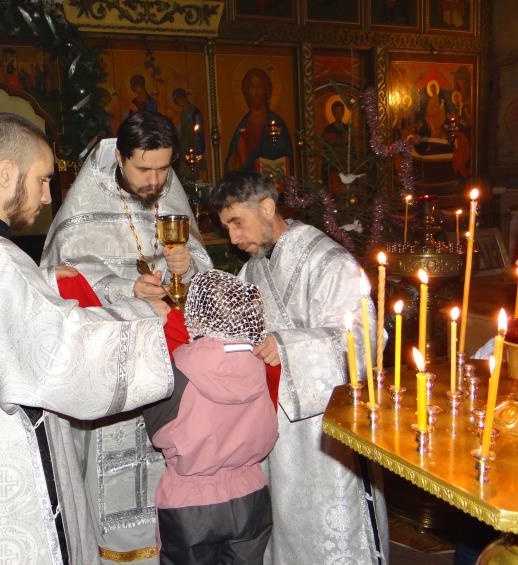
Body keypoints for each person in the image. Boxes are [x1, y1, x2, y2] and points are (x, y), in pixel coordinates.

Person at [0, 113, 176, 565]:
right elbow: (62, 355)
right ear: (6, 173)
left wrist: (47, 282)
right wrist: (146, 318)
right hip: (8, 471)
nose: (46, 196)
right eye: (41, 179)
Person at [41, 111, 212, 564]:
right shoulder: (85, 201)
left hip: (170, 356)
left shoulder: (167, 190)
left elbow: (201, 265)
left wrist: (187, 266)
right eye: (144, 169)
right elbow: (62, 274)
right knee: (113, 467)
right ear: (120, 158)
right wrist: (126, 288)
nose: (156, 181)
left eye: (164, 168)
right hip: (112, 362)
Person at [210, 171, 389, 565]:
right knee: (287, 530)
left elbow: (364, 340)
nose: (233, 238)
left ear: (267, 207)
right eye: (227, 228)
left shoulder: (329, 262)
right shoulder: (252, 271)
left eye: (237, 223)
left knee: (332, 532)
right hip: (277, 435)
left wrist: (289, 347)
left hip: (327, 433)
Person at [142, 269, 278, 565]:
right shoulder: (261, 366)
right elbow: (269, 430)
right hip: (251, 495)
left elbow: (158, 433)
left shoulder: (178, 370)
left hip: (190, 504)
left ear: (197, 317)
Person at [224, 68, 293, 178]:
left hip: (268, 182)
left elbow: (285, 157)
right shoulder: (243, 125)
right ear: (246, 92)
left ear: (266, 90)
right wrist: (232, 164)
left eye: (259, 87)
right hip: (247, 183)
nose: (255, 93)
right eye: (252, 87)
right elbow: (233, 159)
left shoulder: (276, 123)